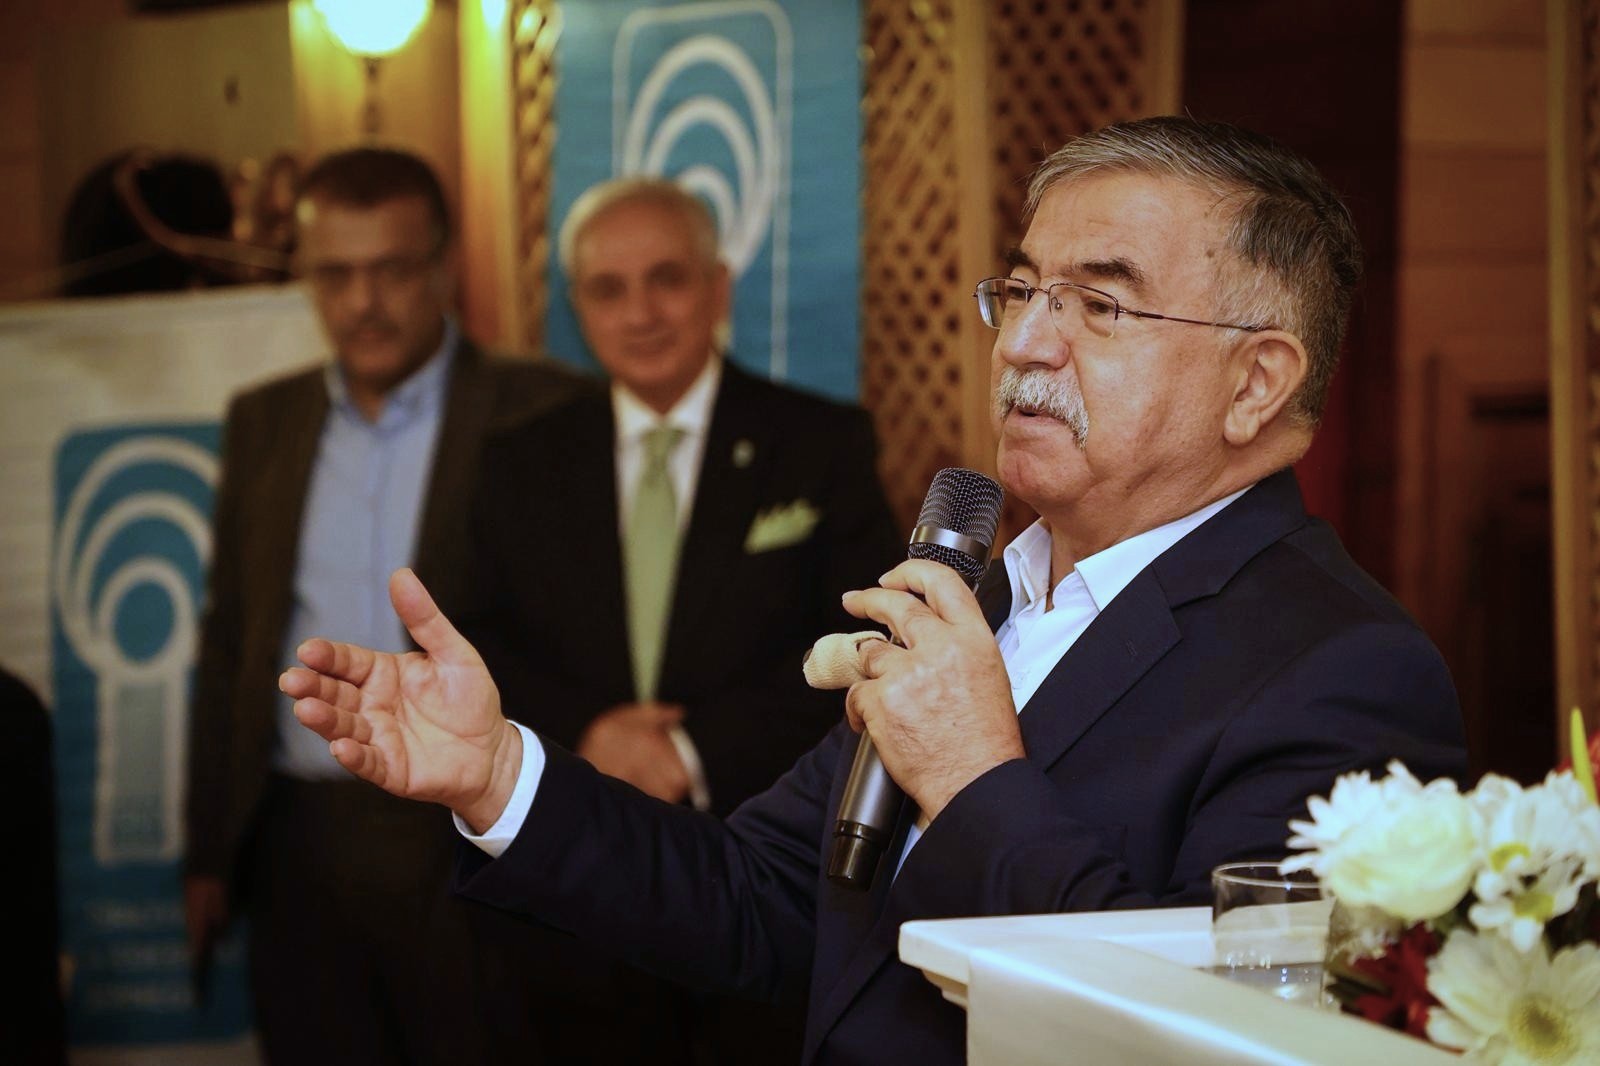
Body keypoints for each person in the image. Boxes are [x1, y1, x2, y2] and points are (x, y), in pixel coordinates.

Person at [283, 118, 1469, 1066]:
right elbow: (757, 896)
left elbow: (1199, 1042)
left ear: (1256, 382)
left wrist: (971, 778)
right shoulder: (982, 591)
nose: (1024, 345)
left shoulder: (1345, 675)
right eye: (1022, 291)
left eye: (1099, 305)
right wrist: (500, 774)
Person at [457, 177, 901, 1063]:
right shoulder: (516, 459)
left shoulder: (820, 444)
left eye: (667, 278)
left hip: (758, 891)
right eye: (608, 288)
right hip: (564, 904)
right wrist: (592, 732)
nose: (640, 312)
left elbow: (868, 645)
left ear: (717, 287)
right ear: (577, 306)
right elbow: (476, 639)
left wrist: (688, 750)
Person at [183, 146, 582, 1065]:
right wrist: (207, 851)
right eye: (335, 275)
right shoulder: (263, 420)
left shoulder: (544, 408)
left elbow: (580, 644)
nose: (363, 301)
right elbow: (230, 641)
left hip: (467, 832)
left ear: (443, 269)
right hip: (295, 839)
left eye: (393, 270)